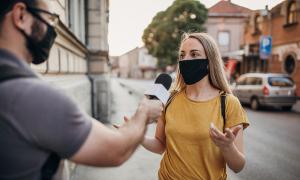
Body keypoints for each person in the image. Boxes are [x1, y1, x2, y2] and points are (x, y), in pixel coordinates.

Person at [0, 0, 163, 179]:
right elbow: (117, 150)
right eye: (49, 19)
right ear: (21, 15)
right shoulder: (31, 96)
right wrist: (144, 113)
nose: (51, 29)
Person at [141, 32, 250, 180]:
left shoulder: (229, 103)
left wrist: (227, 147)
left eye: (194, 54)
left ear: (209, 61)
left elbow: (238, 166)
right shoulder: (170, 99)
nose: (185, 60)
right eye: (182, 55)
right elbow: (160, 145)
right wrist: (137, 135)